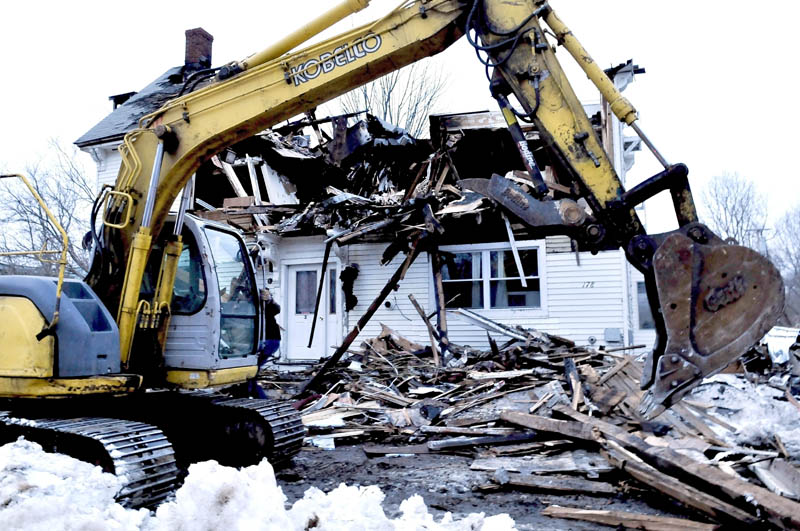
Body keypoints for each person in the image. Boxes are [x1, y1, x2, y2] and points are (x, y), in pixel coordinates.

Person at [249, 288, 281, 399]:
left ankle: (260, 399)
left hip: (269, 341)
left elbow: (276, 309)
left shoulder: (264, 306)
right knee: (251, 373)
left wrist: (269, 300)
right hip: (262, 342)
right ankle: (256, 396)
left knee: (251, 373)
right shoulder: (249, 306)